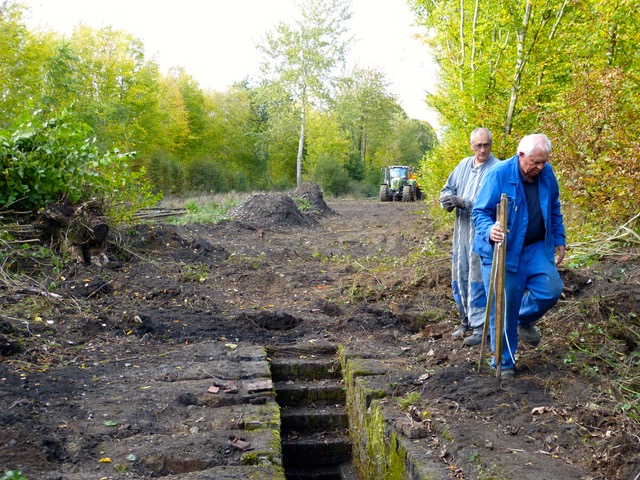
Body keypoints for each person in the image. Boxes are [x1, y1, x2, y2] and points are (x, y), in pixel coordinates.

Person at [472, 133, 566, 377]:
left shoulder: (547, 174)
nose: (540, 167)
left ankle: (521, 318)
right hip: (504, 249)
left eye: (544, 161)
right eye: (535, 162)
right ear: (521, 155)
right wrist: (489, 229)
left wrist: (559, 238)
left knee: (551, 289)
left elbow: (554, 207)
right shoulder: (499, 174)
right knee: (503, 305)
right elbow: (479, 212)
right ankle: (503, 362)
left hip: (535, 246)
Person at [440, 128, 499, 346]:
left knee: (478, 278)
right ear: (471, 145)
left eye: (486, 145)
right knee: (459, 274)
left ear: (491, 145)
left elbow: (494, 203)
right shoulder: (463, 165)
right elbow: (447, 189)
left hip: (483, 234)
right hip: (461, 232)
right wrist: (447, 201)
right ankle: (464, 320)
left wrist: (464, 202)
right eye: (478, 145)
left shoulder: (497, 169)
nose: (482, 149)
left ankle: (480, 326)